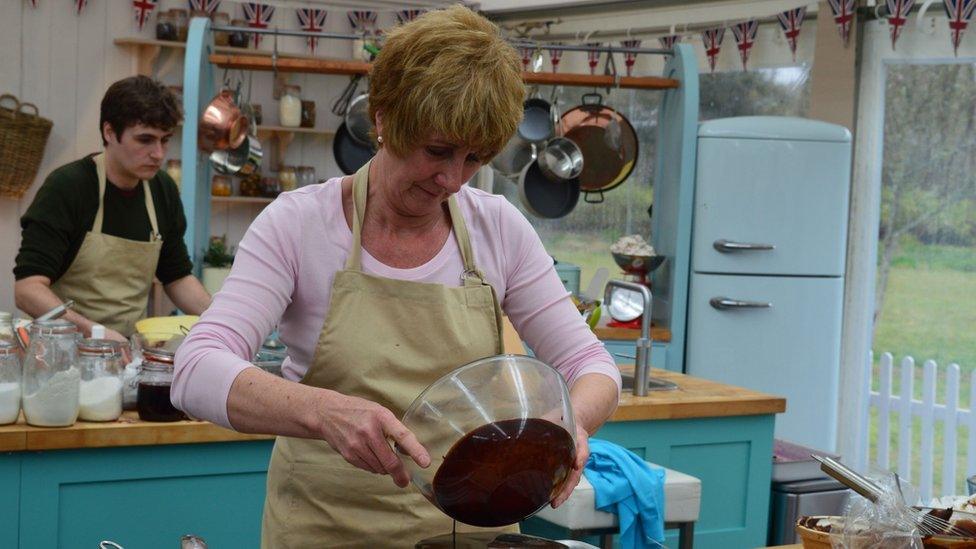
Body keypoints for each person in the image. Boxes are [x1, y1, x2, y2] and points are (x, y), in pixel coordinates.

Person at [173, 6, 621, 547]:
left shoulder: (498, 229)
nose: (452, 179)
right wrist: (321, 410)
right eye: (437, 150)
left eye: (473, 158)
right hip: (325, 528)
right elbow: (195, 369)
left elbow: (590, 364)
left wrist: (567, 426)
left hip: (472, 531)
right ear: (383, 119)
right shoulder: (299, 225)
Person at [14, 76, 211, 342]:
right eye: (145, 140)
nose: (158, 154)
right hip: (61, 350)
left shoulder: (161, 189)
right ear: (109, 132)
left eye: (165, 140)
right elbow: (27, 290)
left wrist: (222, 320)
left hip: (128, 349)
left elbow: (177, 278)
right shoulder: (68, 187)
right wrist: (95, 333)